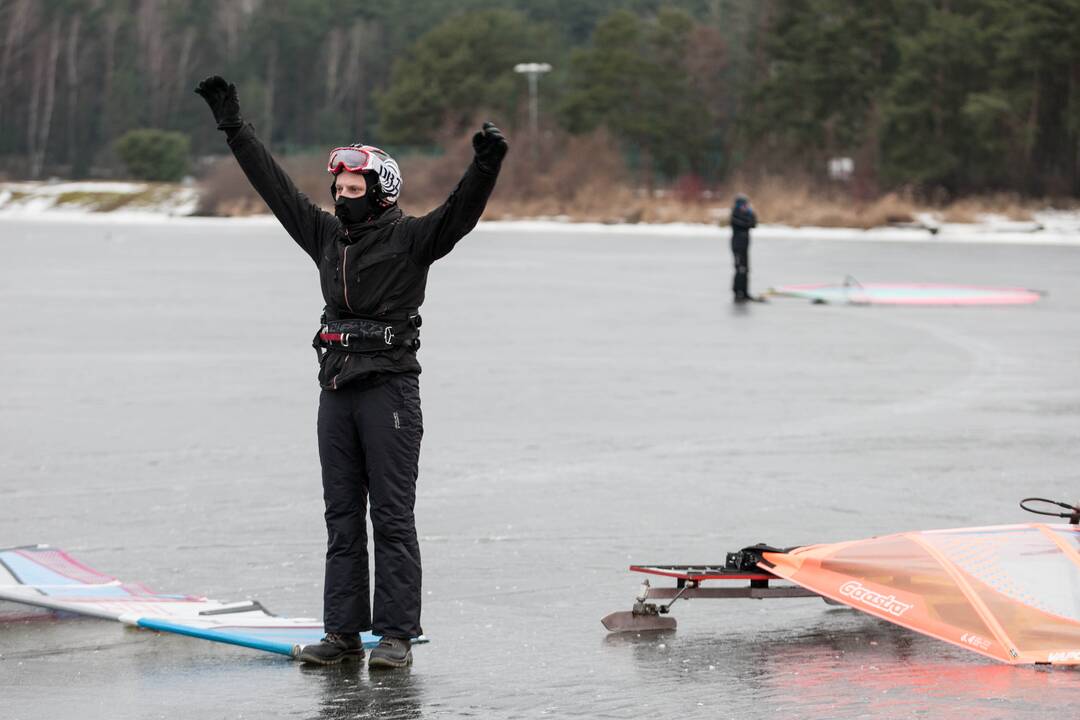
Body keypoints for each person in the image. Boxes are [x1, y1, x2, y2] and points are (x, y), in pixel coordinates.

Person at [194, 75, 507, 668]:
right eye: (338, 184)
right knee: (341, 518)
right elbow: (275, 187)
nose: (341, 193)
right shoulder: (325, 237)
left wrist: (484, 167)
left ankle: (395, 637)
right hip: (335, 389)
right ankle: (341, 633)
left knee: (390, 517)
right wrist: (233, 125)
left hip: (389, 391)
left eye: (353, 184)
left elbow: (460, 214)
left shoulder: (412, 239)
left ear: (380, 190)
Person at [729, 194, 758, 302]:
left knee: (746, 269)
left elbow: (753, 224)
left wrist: (751, 213)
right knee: (739, 269)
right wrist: (748, 217)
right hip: (737, 246)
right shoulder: (735, 214)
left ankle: (745, 292)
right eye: (744, 205)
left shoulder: (747, 214)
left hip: (745, 246)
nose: (746, 206)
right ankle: (737, 292)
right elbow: (745, 224)